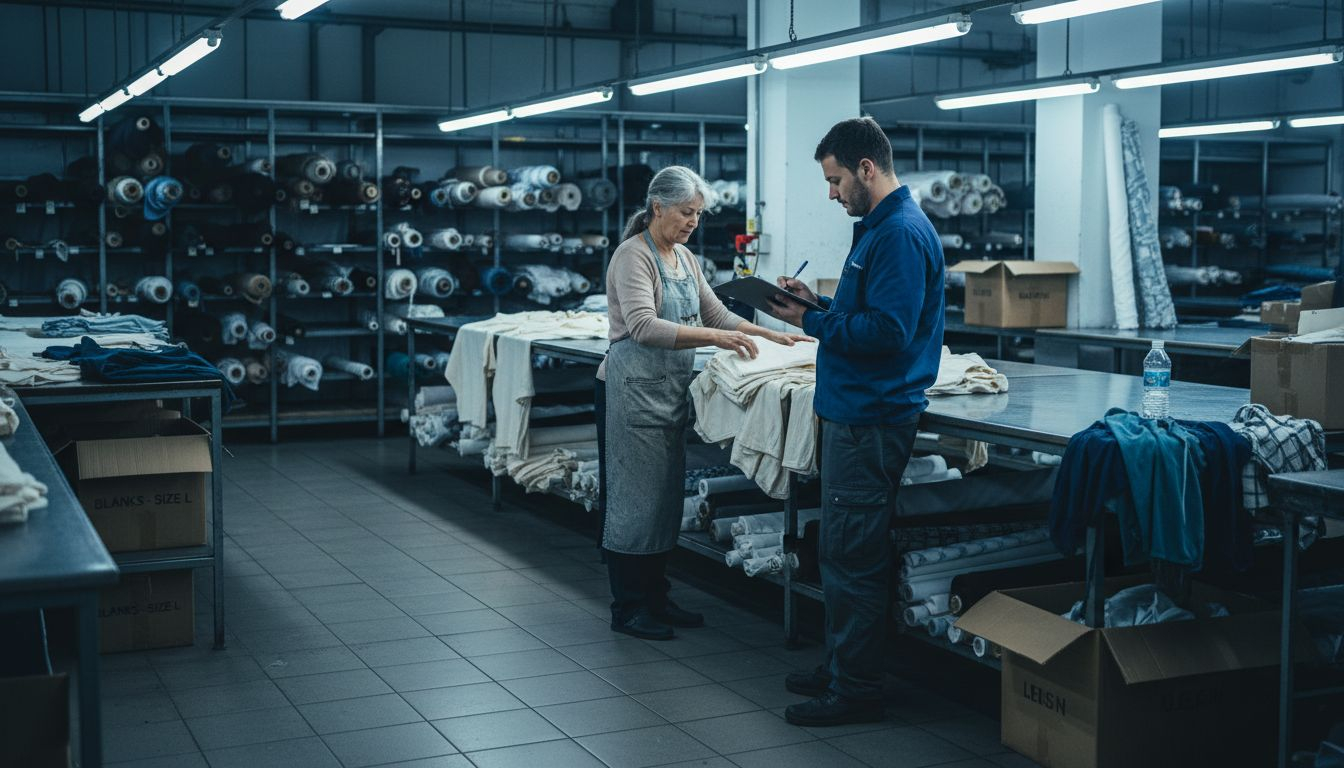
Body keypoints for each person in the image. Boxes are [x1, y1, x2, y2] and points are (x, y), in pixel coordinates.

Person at [767, 117, 946, 726]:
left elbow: (889, 333)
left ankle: (857, 689)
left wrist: (809, 321)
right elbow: (866, 314)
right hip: (855, 412)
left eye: (836, 179)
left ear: (867, 169)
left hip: (872, 418)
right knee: (843, 550)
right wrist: (814, 303)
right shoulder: (878, 230)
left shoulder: (898, 234)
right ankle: (844, 665)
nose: (831, 192)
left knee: (852, 555)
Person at [598, 165, 811, 641]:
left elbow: (717, 313)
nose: (693, 221)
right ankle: (628, 607)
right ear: (658, 208)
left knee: (663, 500)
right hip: (632, 393)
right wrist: (718, 339)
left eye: (698, 214)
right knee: (635, 502)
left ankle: (656, 598)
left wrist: (774, 335)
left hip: (666, 391)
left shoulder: (684, 258)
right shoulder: (633, 257)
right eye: (685, 212)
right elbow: (643, 326)